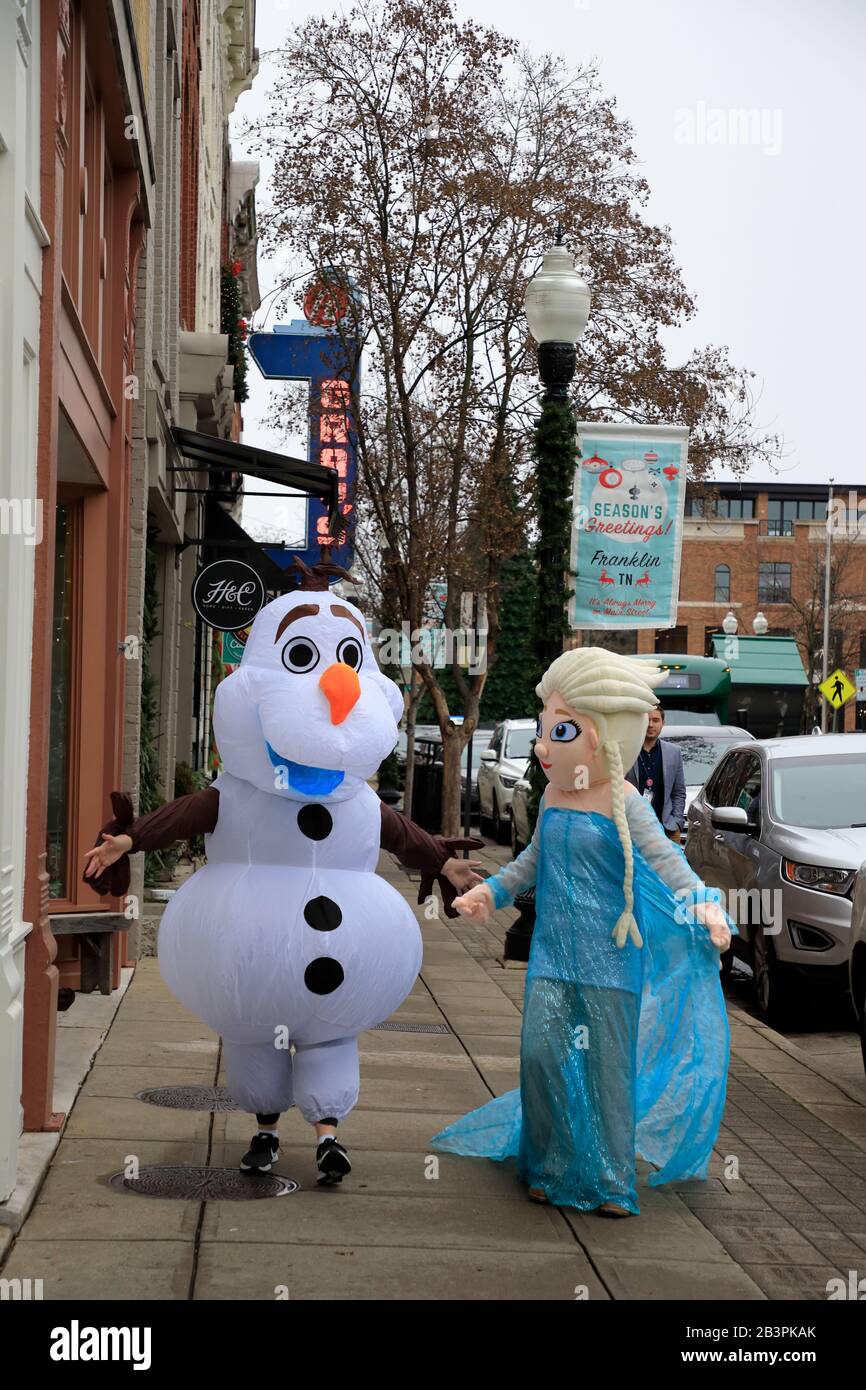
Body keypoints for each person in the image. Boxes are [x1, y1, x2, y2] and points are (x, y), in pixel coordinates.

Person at [83, 559, 483, 1184]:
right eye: (302, 657)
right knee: (256, 1050)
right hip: (251, 972)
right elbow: (182, 817)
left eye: (350, 661)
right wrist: (126, 841)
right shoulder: (238, 792)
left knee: (328, 1042)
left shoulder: (356, 800)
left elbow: (404, 837)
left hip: (342, 965)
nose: (336, 688)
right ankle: (266, 1132)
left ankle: (328, 1134)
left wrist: (447, 865)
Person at [431, 647, 734, 1217]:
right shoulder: (551, 796)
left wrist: (705, 905)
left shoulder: (624, 801)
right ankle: (548, 1165)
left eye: (560, 730)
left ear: (599, 736)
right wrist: (488, 894)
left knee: (605, 1071)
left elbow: (669, 864)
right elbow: (530, 863)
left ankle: (611, 1181)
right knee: (543, 1059)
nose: (543, 746)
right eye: (545, 729)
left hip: (611, 960)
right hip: (551, 956)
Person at [625, 703, 686, 841]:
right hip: (632, 829)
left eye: (656, 720)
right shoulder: (627, 750)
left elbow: (678, 792)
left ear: (663, 723)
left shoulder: (673, 752)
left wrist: (677, 822)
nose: (650, 725)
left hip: (666, 830)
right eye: (646, 720)